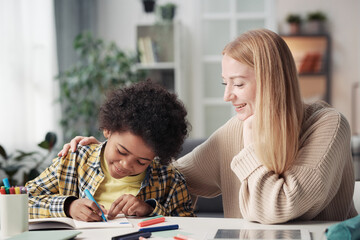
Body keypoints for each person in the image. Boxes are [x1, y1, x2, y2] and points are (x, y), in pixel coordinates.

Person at [58, 29, 357, 224]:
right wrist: (101, 154)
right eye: (226, 83)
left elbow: (275, 209)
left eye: (239, 84)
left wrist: (253, 139)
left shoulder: (327, 126)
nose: (228, 96)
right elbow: (174, 178)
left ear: (272, 82)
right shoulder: (233, 131)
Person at [26, 80, 194, 221]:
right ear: (107, 130)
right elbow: (23, 202)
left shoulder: (170, 180)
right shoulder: (74, 161)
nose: (126, 164)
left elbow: (191, 227)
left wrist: (150, 210)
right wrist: (69, 206)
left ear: (157, 155)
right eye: (121, 151)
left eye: (141, 161)